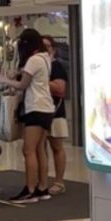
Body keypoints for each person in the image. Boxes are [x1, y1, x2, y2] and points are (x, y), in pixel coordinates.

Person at [0, 28, 55, 204]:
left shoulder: (33, 60)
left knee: (28, 150)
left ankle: (30, 190)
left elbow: (23, 85)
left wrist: (2, 79)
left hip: (35, 108)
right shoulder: (45, 59)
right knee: (40, 150)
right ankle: (42, 187)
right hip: (47, 108)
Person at [42, 35, 69, 195]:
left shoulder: (56, 66)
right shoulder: (35, 64)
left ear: (53, 49)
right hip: (39, 112)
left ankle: (59, 181)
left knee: (57, 146)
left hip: (55, 112)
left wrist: (39, 80)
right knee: (40, 147)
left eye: (48, 46)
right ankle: (42, 180)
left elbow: (60, 89)